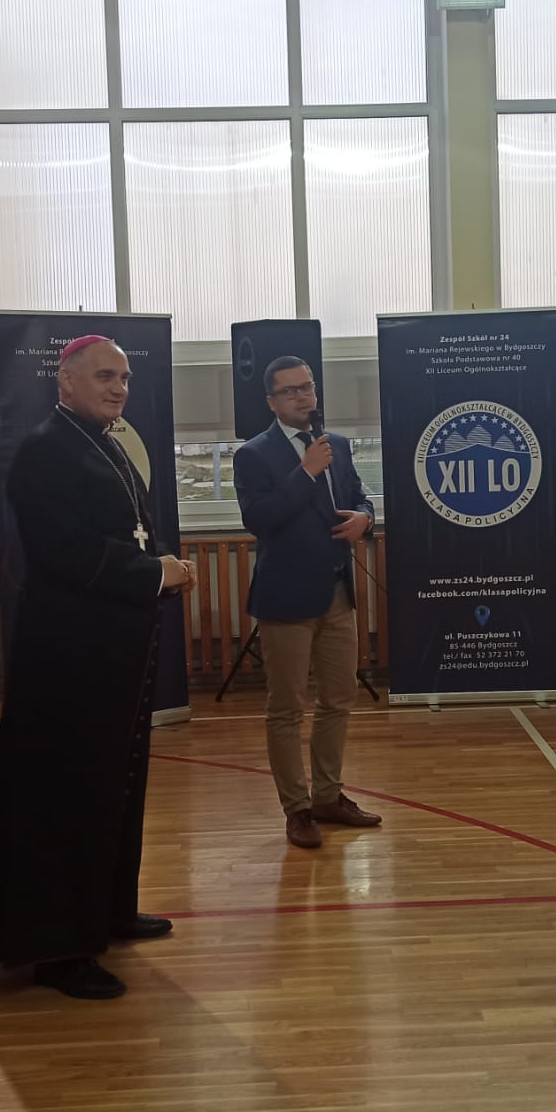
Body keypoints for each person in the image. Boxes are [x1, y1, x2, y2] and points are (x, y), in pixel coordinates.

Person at [0, 335, 196, 1000]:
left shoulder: (104, 442)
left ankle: (108, 910)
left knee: (114, 785)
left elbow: (129, 531)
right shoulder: (45, 450)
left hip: (112, 649)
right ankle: (59, 948)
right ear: (65, 381)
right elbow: (65, 550)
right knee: (69, 796)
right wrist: (154, 573)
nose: (119, 388)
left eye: (125, 377)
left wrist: (160, 565)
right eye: (104, 376)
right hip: (68, 658)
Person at [233, 356, 384, 850]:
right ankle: (296, 809)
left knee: (339, 699)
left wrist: (365, 518)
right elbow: (259, 519)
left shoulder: (336, 443)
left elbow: (360, 497)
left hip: (337, 593)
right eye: (291, 390)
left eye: (308, 387)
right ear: (272, 401)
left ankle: (327, 796)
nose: (303, 397)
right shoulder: (253, 454)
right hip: (286, 597)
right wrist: (304, 471)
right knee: (286, 708)